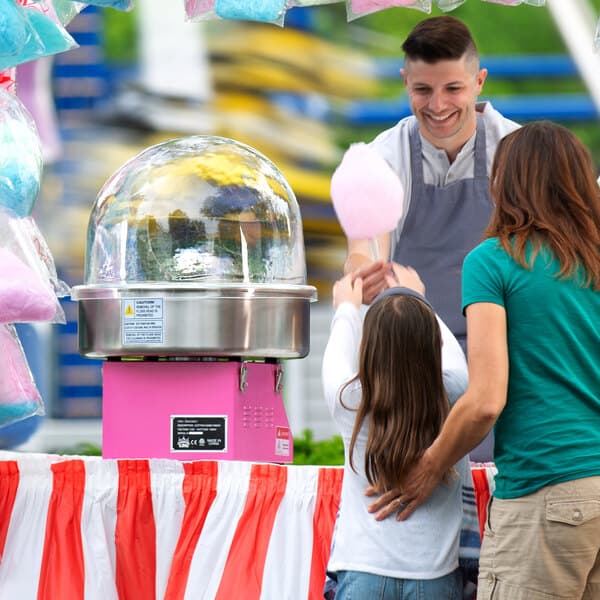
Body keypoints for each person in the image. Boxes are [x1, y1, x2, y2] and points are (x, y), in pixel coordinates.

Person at [368, 122, 600, 599]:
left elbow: (486, 400)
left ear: (507, 183)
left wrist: (430, 465)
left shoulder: (493, 261)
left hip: (545, 488)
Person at [344, 15, 519, 353]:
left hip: (505, 350)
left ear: (479, 81)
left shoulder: (516, 149)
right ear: (405, 81)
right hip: (412, 353)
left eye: (453, 88)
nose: (438, 106)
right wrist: (363, 277)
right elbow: (362, 252)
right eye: (423, 90)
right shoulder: (379, 159)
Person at [322, 263, 469, 599]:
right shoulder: (455, 392)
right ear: (433, 349)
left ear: (365, 350)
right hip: (433, 577)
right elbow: (448, 350)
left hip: (363, 573)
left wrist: (347, 302)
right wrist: (418, 297)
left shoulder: (347, 398)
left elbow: (339, 343)